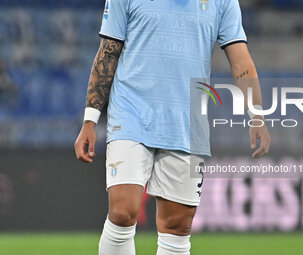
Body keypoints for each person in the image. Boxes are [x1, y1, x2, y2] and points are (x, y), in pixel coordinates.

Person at [74, 0, 271, 254]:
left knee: (177, 225)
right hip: (131, 113)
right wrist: (90, 119)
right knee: (123, 211)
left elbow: (241, 61)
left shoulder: (223, 2)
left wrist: (257, 115)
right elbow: (108, 52)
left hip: (187, 123)